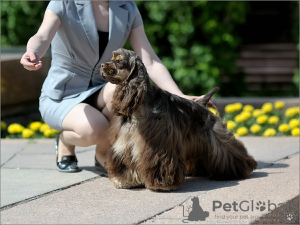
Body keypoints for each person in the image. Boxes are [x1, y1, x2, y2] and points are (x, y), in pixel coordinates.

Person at [20, 1, 215, 173]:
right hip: (63, 94)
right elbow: (42, 36)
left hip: (100, 90)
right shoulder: (64, 3)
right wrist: (32, 52)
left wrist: (180, 96)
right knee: (94, 129)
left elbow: (150, 61)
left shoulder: (127, 7)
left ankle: (103, 154)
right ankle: (65, 142)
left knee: (127, 91)